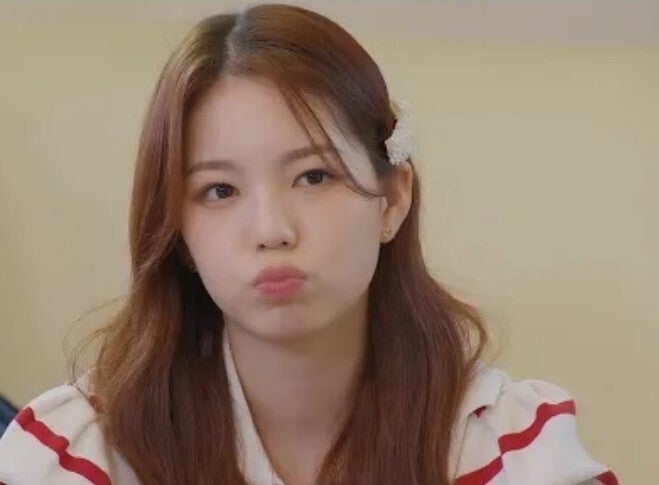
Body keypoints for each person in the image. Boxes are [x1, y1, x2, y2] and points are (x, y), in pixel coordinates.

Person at [0, 4, 618, 484]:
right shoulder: (81, 450)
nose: (272, 230)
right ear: (177, 231)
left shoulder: (508, 447)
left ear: (393, 199)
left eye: (314, 177)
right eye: (219, 190)